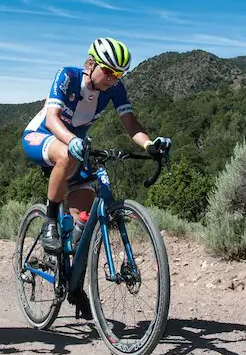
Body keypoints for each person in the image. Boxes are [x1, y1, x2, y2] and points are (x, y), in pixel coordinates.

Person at [20, 37, 172, 318]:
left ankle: (74, 284)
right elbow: (52, 118)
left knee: (85, 218)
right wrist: (70, 140)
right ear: (91, 64)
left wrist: (149, 145)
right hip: (42, 136)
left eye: (120, 74)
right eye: (110, 72)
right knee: (67, 155)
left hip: (76, 146)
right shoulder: (68, 76)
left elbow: (131, 124)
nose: (114, 79)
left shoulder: (114, 88)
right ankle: (50, 221)